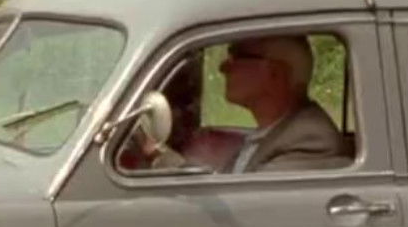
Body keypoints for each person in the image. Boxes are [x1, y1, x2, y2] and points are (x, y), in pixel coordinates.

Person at [134, 35, 350, 174]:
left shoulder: (309, 140)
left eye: (237, 56)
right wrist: (157, 155)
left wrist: (158, 157)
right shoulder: (274, 132)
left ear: (275, 74)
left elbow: (246, 207)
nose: (223, 67)